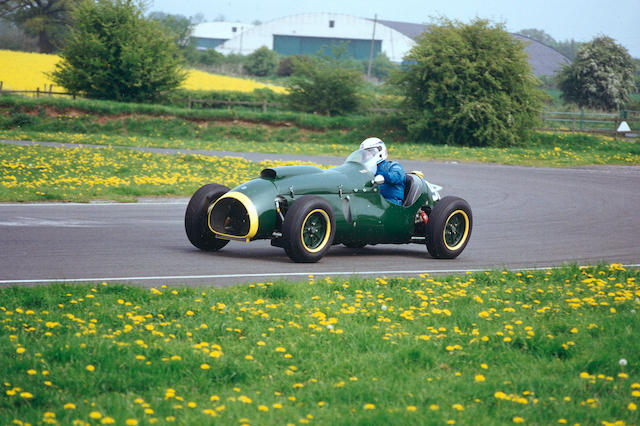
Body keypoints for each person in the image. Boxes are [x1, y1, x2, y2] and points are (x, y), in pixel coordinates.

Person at [359, 137, 406, 205]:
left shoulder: (392, 166)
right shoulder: (365, 169)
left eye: (370, 152)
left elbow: (397, 176)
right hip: (373, 202)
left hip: (391, 203)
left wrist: (380, 176)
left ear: (380, 151)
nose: (367, 156)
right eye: (365, 154)